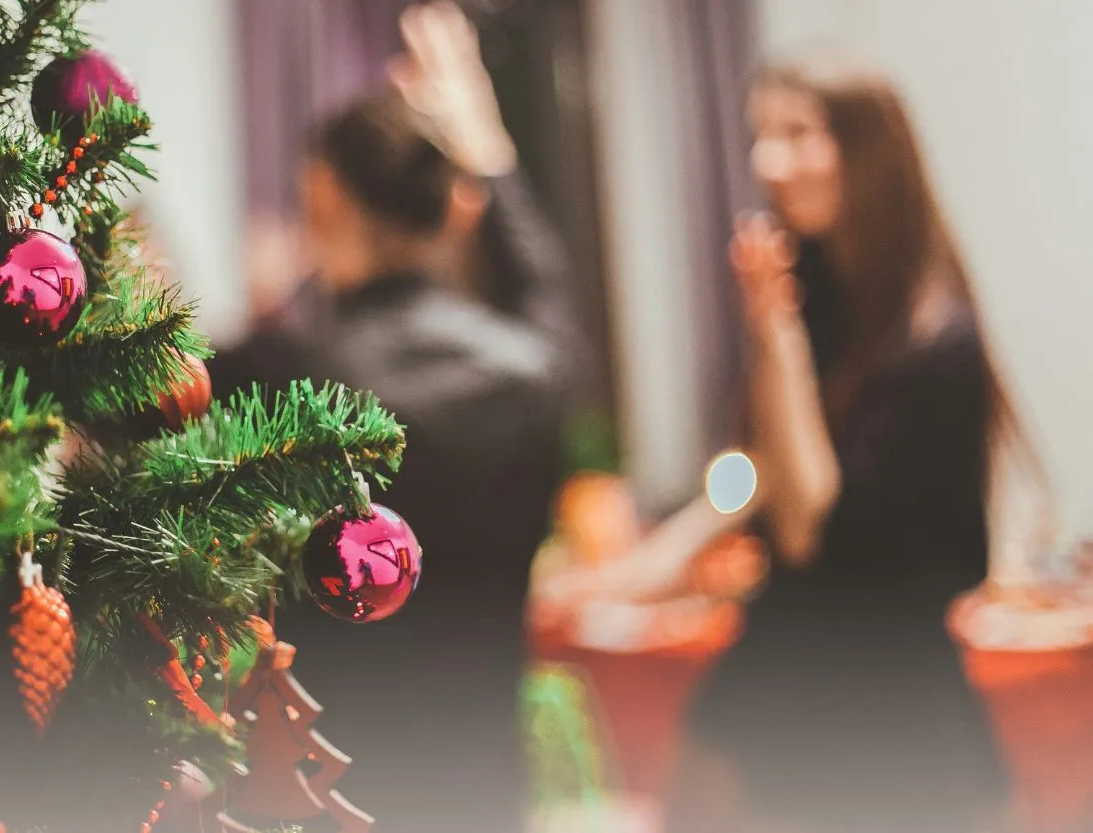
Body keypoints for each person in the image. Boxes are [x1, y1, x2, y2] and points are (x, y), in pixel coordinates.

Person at [573, 54, 1045, 833]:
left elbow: (807, 518)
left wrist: (775, 329)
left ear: (868, 150)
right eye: (761, 134)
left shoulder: (936, 340)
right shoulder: (826, 292)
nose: (767, 161)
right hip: (791, 661)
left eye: (797, 133)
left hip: (882, 695)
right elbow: (762, 467)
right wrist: (660, 556)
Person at [210, 5, 581, 831]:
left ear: (323, 196)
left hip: (323, 791)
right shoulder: (535, 367)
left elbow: (125, 402)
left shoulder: (277, 376)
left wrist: (269, 309)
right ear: (458, 206)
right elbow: (546, 288)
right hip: (483, 789)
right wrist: (491, 155)